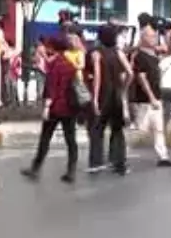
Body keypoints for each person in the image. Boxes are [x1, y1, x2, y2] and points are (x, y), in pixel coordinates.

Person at [22, 35, 80, 183]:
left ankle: (35, 168)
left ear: (53, 48)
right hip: (69, 107)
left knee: (45, 138)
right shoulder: (70, 64)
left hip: (55, 108)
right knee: (71, 140)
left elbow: (52, 88)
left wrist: (46, 107)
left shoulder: (55, 65)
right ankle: (71, 171)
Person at [86, 24, 131, 175]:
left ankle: (96, 162)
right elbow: (130, 72)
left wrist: (95, 98)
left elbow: (98, 75)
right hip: (117, 94)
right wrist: (123, 86)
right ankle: (119, 163)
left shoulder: (96, 53)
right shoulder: (118, 52)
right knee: (117, 130)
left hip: (104, 94)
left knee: (97, 129)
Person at [131, 29, 171, 168]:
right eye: (150, 36)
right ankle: (120, 154)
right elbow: (141, 77)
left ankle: (163, 156)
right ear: (143, 38)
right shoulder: (140, 56)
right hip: (145, 100)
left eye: (155, 36)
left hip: (156, 97)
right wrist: (151, 97)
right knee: (141, 129)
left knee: (158, 128)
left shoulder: (153, 55)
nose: (154, 38)